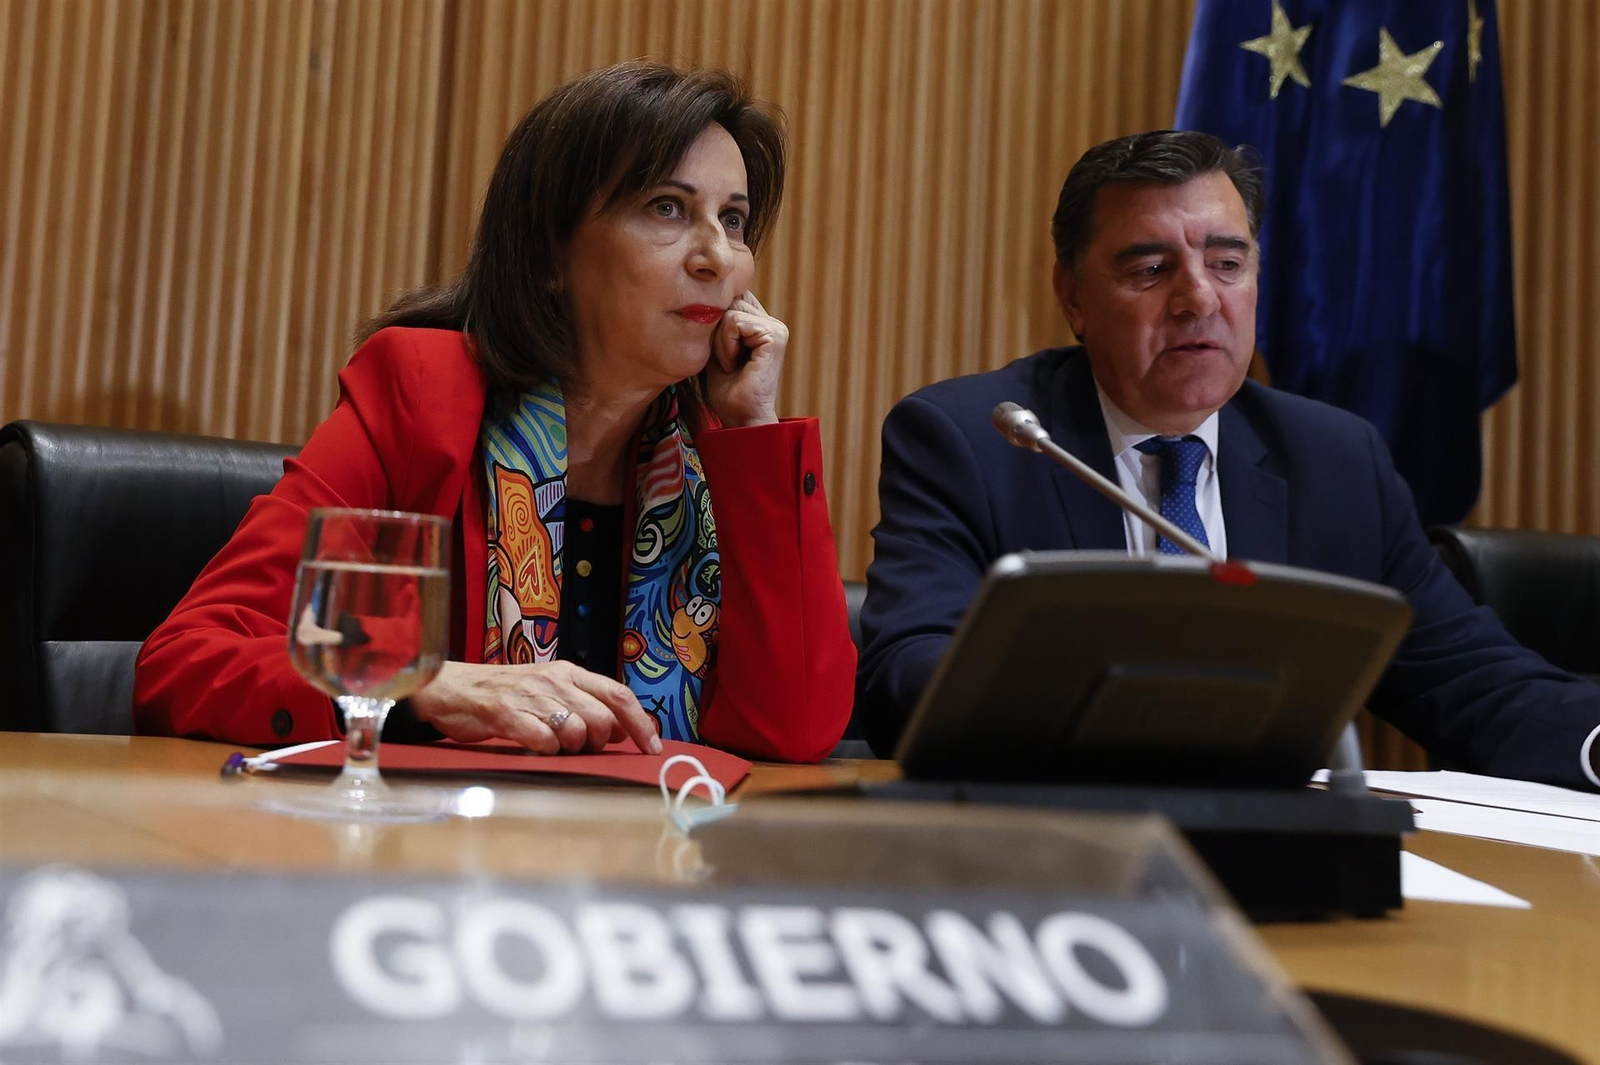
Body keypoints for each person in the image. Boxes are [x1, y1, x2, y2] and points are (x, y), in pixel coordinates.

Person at [135, 62, 855, 764]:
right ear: (550, 253)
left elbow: (795, 728)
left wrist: (755, 432)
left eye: (733, 219)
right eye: (667, 207)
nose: (717, 256)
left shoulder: (711, 451)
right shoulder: (422, 394)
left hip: (656, 862)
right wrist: (421, 682)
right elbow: (189, 660)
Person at [857, 129, 1600, 791]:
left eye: (1227, 261)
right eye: (1150, 268)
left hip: (1271, 862)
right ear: (1073, 296)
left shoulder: (1334, 462)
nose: (1197, 298)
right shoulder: (976, 438)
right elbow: (912, 673)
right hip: (1064, 853)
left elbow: (1477, 682)